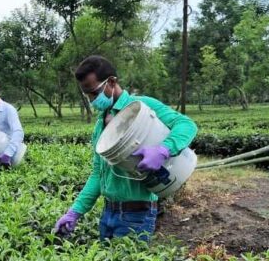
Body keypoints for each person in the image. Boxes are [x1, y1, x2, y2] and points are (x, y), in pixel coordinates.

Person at [53, 56, 197, 243]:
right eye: (88, 95)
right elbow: (98, 173)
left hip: (137, 214)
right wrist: (75, 212)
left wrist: (164, 150)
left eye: (94, 93)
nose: (92, 100)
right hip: (108, 213)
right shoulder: (100, 125)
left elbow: (187, 125)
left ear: (112, 82)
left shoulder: (143, 107)